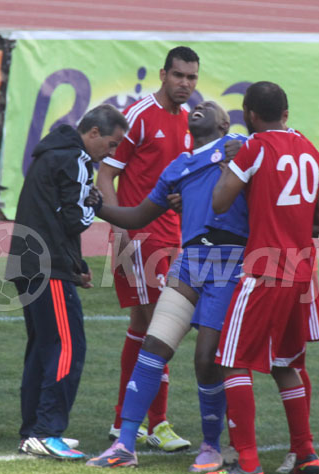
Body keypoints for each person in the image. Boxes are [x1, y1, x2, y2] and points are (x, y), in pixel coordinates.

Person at [85, 101, 247, 471]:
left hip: (230, 263)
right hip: (190, 263)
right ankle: (125, 442)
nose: (200, 104)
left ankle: (211, 446)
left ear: (224, 123)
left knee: (206, 359)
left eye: (210, 105)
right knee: (154, 344)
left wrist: (250, 153)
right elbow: (139, 214)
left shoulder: (242, 147)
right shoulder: (178, 167)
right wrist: (98, 207)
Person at [203, 81, 319, 474]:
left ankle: (247, 463)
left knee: (231, 361)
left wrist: (230, 167)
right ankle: (306, 452)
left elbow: (220, 201)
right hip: (302, 273)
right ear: (287, 112)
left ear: (249, 114)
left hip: (265, 270)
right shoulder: (311, 150)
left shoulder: (255, 147)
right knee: (286, 364)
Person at [8, 104, 127, 459]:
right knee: (67, 348)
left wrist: (76, 264)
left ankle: (32, 430)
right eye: (112, 144)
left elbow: (53, 217)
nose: (113, 152)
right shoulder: (75, 158)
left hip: (29, 263)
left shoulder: (51, 153)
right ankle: (46, 431)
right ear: (93, 134)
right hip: (47, 269)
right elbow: (76, 218)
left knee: (43, 348)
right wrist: (95, 201)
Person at [95, 46, 199, 451]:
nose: (185, 84)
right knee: (161, 325)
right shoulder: (139, 117)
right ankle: (152, 423)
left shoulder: (191, 122)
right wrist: (120, 227)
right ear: (163, 74)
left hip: (173, 237)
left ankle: (131, 419)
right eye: (178, 76)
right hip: (140, 239)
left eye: (191, 78)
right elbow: (107, 175)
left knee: (149, 327)